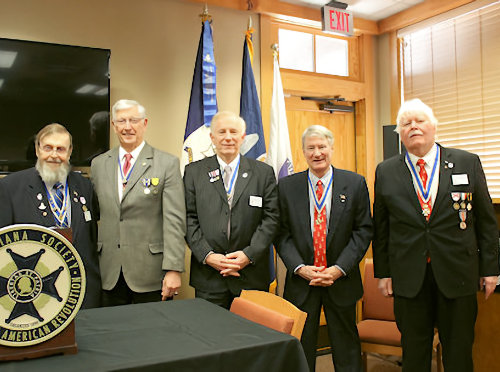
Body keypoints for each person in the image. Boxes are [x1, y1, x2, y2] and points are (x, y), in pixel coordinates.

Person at [373, 98, 499, 372]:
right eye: (406, 123)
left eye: (420, 121)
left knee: (459, 351)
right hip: (409, 278)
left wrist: (491, 269)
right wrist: (383, 272)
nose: (414, 127)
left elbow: (487, 222)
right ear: (400, 133)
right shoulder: (386, 171)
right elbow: (381, 227)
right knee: (415, 354)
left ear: (434, 127)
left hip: (458, 274)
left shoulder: (467, 162)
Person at [275, 125, 372, 372]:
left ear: (331, 148)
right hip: (302, 281)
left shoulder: (354, 183)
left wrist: (339, 268)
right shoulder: (287, 187)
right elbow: (281, 234)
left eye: (322, 147)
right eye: (311, 148)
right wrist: (299, 268)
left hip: (341, 279)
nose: (317, 153)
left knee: (346, 346)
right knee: (301, 346)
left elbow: (363, 231)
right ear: (303, 152)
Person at [91, 99, 186, 306]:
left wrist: (173, 269)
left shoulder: (166, 163)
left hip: (151, 273)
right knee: (112, 334)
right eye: (121, 121)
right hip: (109, 271)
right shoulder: (98, 164)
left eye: (133, 120)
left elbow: (175, 221)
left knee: (151, 335)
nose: (127, 127)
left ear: (144, 123)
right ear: (114, 126)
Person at [184, 111, 279, 309]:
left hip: (251, 275)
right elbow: (188, 217)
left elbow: (271, 219)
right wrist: (208, 255)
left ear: (243, 137)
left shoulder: (263, 173)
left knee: (253, 337)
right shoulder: (194, 172)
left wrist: (248, 255)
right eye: (222, 132)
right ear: (212, 137)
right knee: (210, 337)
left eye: (234, 132)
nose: (228, 137)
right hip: (209, 276)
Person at [0, 123, 102, 308]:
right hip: (34, 291)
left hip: (84, 291)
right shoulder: (11, 188)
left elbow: (90, 237)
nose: (54, 155)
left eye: (60, 149)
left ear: (69, 152)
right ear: (38, 150)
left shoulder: (84, 186)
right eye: (48, 148)